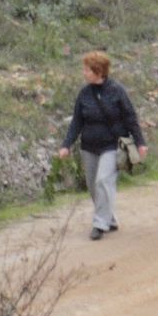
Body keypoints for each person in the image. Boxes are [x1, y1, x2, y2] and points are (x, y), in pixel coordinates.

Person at [59, 51, 147, 240]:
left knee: (103, 181)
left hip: (111, 146)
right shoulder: (84, 93)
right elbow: (76, 122)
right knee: (93, 186)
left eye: (87, 70)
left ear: (98, 71)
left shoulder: (117, 91)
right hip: (88, 147)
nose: (84, 73)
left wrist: (140, 142)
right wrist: (66, 144)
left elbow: (130, 117)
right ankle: (110, 219)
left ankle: (99, 224)